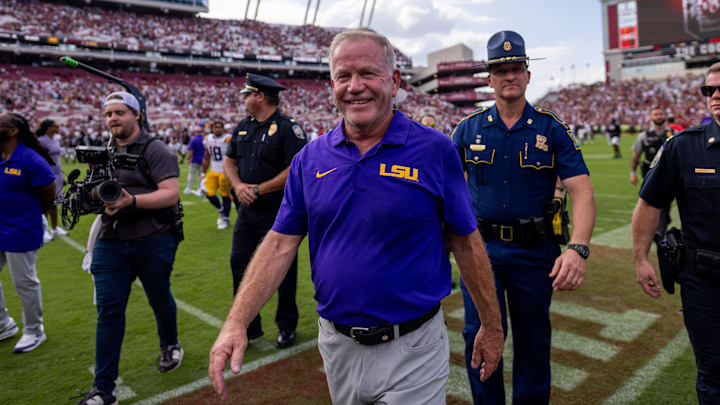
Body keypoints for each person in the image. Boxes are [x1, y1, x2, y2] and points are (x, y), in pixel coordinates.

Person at [209, 29, 504, 404]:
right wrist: (237, 322)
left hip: (413, 346)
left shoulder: (435, 150)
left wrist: (491, 326)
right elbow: (280, 243)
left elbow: (465, 241)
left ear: (394, 81)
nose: (355, 86)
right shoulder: (309, 160)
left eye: (368, 73)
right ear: (331, 84)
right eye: (343, 76)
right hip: (337, 345)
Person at [452, 30, 596, 404]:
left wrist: (578, 248)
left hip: (535, 253)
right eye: (500, 69)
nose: (509, 75)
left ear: (528, 74)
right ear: (489, 77)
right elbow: (446, 191)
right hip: (480, 251)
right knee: (480, 333)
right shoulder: (468, 130)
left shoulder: (552, 129)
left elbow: (581, 190)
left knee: (533, 338)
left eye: (516, 67)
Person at [76, 91, 183, 405]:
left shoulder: (155, 148)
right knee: (109, 311)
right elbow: (95, 191)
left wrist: (131, 200)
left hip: (154, 238)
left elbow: (171, 194)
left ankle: (170, 343)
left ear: (137, 115)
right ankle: (103, 389)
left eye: (119, 112)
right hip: (111, 240)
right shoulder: (104, 152)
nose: (113, 119)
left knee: (159, 296)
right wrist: (88, 197)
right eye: (108, 113)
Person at [632, 61, 720, 405]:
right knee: (713, 375)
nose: (715, 96)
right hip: (704, 280)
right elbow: (649, 203)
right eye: (709, 90)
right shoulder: (683, 146)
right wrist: (640, 258)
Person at [223, 73, 307, 348]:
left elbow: (295, 169)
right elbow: (229, 160)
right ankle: (249, 325)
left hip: (280, 211)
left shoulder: (288, 128)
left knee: (283, 270)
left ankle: (286, 325)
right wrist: (238, 186)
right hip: (248, 211)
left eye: (247, 94)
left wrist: (258, 188)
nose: (244, 99)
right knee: (239, 263)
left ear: (260, 96)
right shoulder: (244, 126)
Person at [0, 112, 55, 354]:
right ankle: (3, 325)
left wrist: (33, 216)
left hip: (21, 229)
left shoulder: (31, 160)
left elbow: (48, 193)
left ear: (13, 131)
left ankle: (34, 330)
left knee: (24, 282)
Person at [630, 106, 674, 242]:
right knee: (649, 200)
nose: (659, 116)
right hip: (649, 173)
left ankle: (660, 230)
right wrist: (633, 172)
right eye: (656, 114)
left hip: (669, 173)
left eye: (661, 113)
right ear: (651, 117)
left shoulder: (673, 134)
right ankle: (656, 230)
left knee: (665, 202)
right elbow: (636, 156)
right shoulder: (644, 135)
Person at [36, 119, 68, 242]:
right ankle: (43, 231)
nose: (58, 127)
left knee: (55, 203)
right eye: (55, 126)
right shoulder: (41, 140)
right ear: (49, 127)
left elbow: (56, 158)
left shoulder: (55, 139)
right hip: (46, 173)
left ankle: (55, 229)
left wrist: (62, 175)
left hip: (57, 174)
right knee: (46, 203)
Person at [202, 120, 233, 230]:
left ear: (223, 129)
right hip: (213, 170)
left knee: (225, 195)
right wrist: (202, 172)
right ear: (212, 129)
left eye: (220, 127)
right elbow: (206, 157)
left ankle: (226, 219)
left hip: (224, 171)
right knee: (207, 192)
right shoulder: (208, 138)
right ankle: (221, 210)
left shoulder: (228, 138)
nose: (218, 129)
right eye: (216, 127)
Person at [184, 129, 204, 196]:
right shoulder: (204, 138)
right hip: (203, 160)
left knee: (191, 174)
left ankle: (188, 188)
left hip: (195, 159)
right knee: (200, 175)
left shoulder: (193, 139)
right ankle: (199, 189)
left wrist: (188, 158)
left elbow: (191, 150)